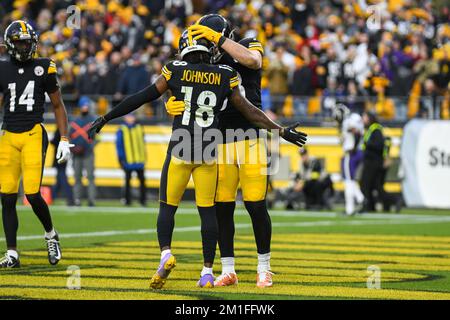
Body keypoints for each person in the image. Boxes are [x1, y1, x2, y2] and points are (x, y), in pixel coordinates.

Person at [88, 30, 307, 288]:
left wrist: (106, 117)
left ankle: (253, 266)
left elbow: (253, 62)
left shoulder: (238, 47)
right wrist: (174, 101)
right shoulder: (221, 72)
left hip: (220, 142)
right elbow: (247, 108)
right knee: (216, 210)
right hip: (214, 146)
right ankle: (215, 270)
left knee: (244, 206)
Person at [184, 13, 278, 288]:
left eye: (207, 38)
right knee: (222, 209)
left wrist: (220, 40)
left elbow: (253, 61)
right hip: (220, 140)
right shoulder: (204, 59)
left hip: (250, 137)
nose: (205, 44)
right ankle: (228, 269)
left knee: (256, 205)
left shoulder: (248, 43)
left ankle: (264, 267)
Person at [0, 21, 72, 268]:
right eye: (19, 41)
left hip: (32, 133)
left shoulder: (44, 66)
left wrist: (64, 138)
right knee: (7, 197)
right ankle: (12, 253)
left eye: (27, 41)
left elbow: (57, 104)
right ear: (10, 43)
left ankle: (51, 234)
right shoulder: (2, 69)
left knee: (32, 193)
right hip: (8, 135)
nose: (24, 46)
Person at [333, 104, 364, 216]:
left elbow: (355, 132)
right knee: (350, 180)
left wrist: (353, 147)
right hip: (359, 151)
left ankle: (351, 207)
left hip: (351, 153)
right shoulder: (355, 117)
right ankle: (359, 199)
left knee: (348, 181)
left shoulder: (348, 121)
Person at [70, 97, 96, 207]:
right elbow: (69, 136)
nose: (85, 108)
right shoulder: (74, 121)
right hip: (76, 154)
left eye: (86, 106)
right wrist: (72, 148)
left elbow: (97, 138)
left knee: (90, 177)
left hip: (88, 154)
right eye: (83, 106)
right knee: (77, 177)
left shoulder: (93, 121)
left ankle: (91, 200)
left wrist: (88, 147)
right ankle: (77, 199)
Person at [116, 114, 146, 206]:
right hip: (128, 161)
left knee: (142, 181)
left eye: (132, 116)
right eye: (129, 117)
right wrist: (121, 158)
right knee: (127, 181)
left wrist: (144, 157)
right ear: (125, 118)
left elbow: (142, 144)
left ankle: (142, 200)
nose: (130, 118)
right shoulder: (122, 129)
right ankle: (127, 200)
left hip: (139, 160)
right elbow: (119, 145)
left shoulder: (139, 128)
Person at [360, 111, 385, 212]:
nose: (363, 119)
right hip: (371, 160)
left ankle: (366, 206)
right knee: (375, 185)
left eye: (364, 117)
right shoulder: (370, 129)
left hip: (373, 161)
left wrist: (367, 144)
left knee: (364, 184)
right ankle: (371, 206)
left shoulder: (375, 129)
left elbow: (379, 144)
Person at [51, 129, 74, 206]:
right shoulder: (66, 131)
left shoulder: (60, 131)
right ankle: (52, 198)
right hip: (63, 158)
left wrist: (52, 141)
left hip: (60, 158)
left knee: (63, 179)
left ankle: (70, 198)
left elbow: (55, 141)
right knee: (59, 180)